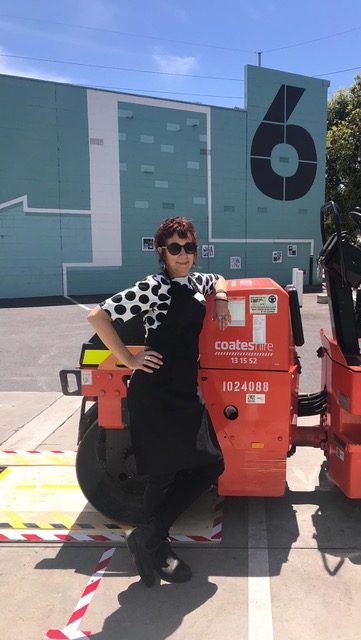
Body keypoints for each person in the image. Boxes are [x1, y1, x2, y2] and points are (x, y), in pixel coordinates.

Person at [87, 216, 231, 587]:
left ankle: (148, 536)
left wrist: (223, 299)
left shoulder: (198, 282)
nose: (184, 255)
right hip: (155, 390)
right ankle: (156, 544)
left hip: (185, 387)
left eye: (190, 247)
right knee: (163, 473)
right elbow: (98, 316)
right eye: (175, 248)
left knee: (209, 465)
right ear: (162, 252)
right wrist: (128, 359)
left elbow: (219, 280)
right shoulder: (154, 287)